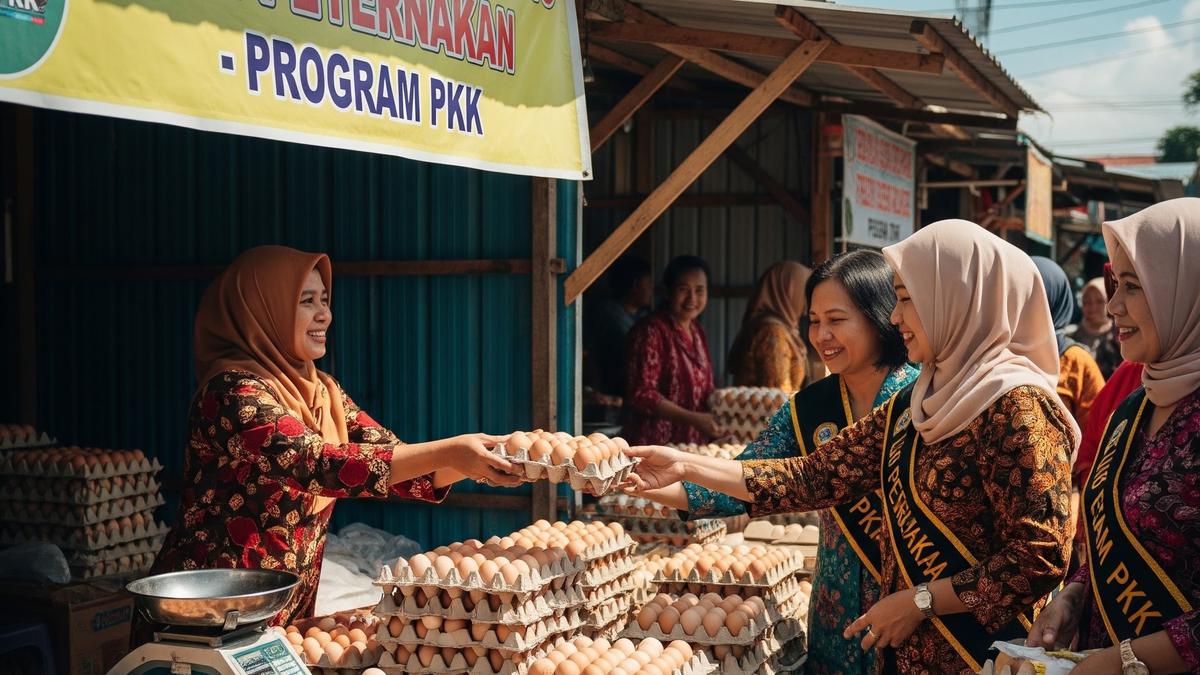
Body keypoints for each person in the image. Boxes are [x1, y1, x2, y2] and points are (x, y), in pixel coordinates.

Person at [625, 221, 1078, 674]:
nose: (896, 317)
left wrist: (920, 602)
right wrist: (684, 465)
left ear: (956, 299)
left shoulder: (1018, 407)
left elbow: (1040, 554)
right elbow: (814, 476)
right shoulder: (919, 402)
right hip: (904, 654)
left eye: (907, 299)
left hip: (975, 655)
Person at [146, 246, 523, 629]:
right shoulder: (231, 394)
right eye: (306, 301)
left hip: (282, 612)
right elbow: (316, 464)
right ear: (263, 310)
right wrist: (453, 451)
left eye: (324, 300)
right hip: (208, 616)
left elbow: (395, 461)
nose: (324, 314)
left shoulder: (323, 393)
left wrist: (480, 463)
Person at [640, 251, 917, 675]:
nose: (821, 335)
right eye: (813, 320)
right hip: (836, 608)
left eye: (836, 320)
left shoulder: (924, 400)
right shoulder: (808, 408)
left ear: (879, 316)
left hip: (910, 607)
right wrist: (642, 483)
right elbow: (745, 479)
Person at [1026, 198, 1200, 674]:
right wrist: (1073, 596)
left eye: (1133, 286)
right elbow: (1112, 537)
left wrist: (1123, 661)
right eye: (1114, 285)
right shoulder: (1135, 405)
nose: (1113, 305)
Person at [623, 255, 719, 445]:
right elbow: (641, 394)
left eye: (699, 290)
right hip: (655, 444)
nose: (692, 298)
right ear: (667, 292)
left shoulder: (697, 331)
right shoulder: (651, 331)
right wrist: (693, 418)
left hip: (691, 445)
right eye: (683, 289)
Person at [1032, 256, 1106, 426]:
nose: (1026, 304)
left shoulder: (1076, 361)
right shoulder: (994, 350)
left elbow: (1098, 430)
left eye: (1037, 296)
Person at [726, 261, 812, 392]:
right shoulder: (772, 332)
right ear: (788, 291)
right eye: (805, 293)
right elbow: (779, 392)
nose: (807, 303)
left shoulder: (781, 328)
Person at [585, 256, 653, 401]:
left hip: (637, 394)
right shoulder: (607, 313)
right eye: (648, 283)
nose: (651, 290)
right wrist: (595, 390)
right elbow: (590, 353)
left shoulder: (646, 316)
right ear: (635, 285)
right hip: (608, 393)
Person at [1071, 276, 1123, 378]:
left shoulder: (1119, 334)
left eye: (1099, 301)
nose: (1093, 307)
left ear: (1108, 302)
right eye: (1087, 302)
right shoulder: (1071, 335)